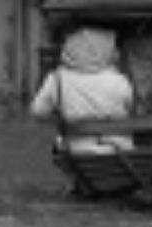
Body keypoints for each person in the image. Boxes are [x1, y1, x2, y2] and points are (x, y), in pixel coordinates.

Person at [30, 26, 135, 155]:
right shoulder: (120, 81)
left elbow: (37, 111)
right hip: (119, 150)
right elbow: (130, 107)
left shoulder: (57, 78)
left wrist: (60, 110)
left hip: (78, 152)